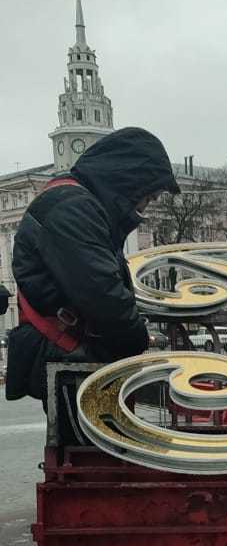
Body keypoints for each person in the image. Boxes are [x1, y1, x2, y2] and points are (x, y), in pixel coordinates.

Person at [6, 127, 180, 407]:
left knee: (84, 447)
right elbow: (103, 295)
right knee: (92, 445)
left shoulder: (77, 203)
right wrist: (138, 341)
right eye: (150, 194)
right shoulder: (73, 209)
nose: (149, 203)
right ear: (130, 180)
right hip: (70, 356)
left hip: (70, 351)